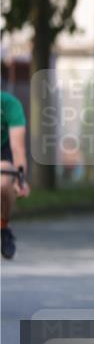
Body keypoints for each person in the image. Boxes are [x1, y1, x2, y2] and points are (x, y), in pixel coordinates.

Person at [1, 91, 30, 259]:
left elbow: (18, 148)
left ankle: (3, 226)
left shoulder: (10, 105)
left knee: (4, 182)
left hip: (3, 152)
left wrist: (20, 179)